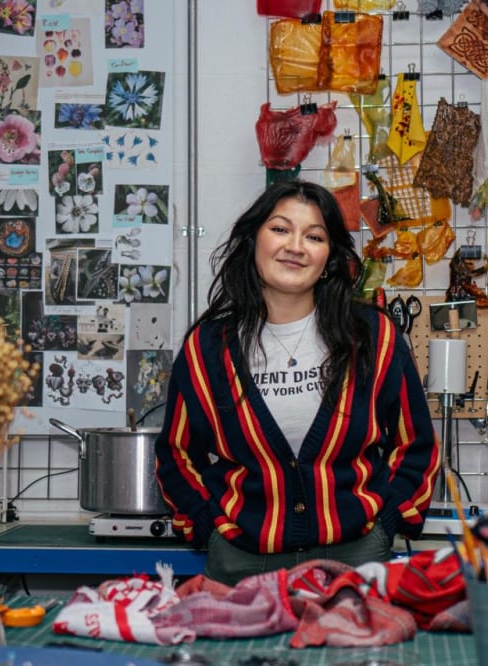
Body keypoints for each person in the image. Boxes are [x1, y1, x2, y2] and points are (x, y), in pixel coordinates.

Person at [154, 179, 441, 586]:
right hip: (240, 565)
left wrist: (387, 520)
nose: (295, 246)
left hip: (357, 561)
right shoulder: (207, 349)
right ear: (254, 239)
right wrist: (207, 524)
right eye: (280, 229)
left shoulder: (373, 338)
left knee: (354, 652)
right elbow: (176, 454)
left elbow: (416, 445)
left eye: (314, 236)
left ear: (330, 256)